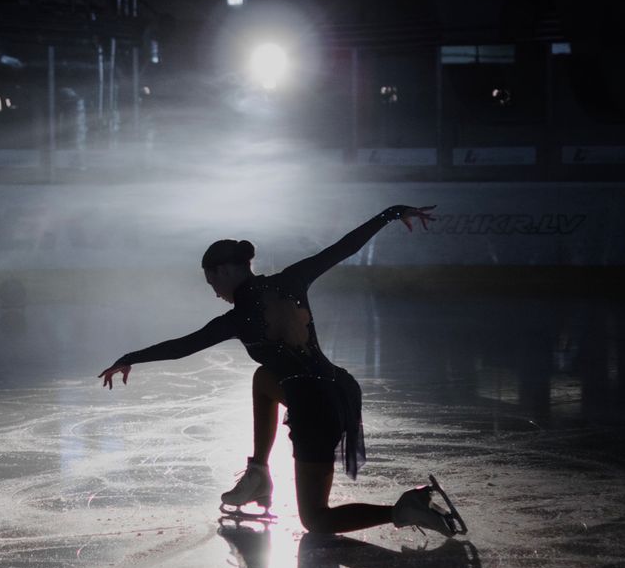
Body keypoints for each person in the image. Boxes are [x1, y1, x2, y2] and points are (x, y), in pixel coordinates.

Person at [99, 205, 467, 537]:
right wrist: (392, 213)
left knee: (316, 521)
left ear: (225, 270)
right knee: (263, 380)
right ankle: (259, 472)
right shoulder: (291, 280)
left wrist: (130, 356)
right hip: (337, 389)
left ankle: (403, 510)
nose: (214, 292)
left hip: (313, 407)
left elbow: (184, 346)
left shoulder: (237, 319)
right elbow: (344, 248)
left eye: (212, 281)